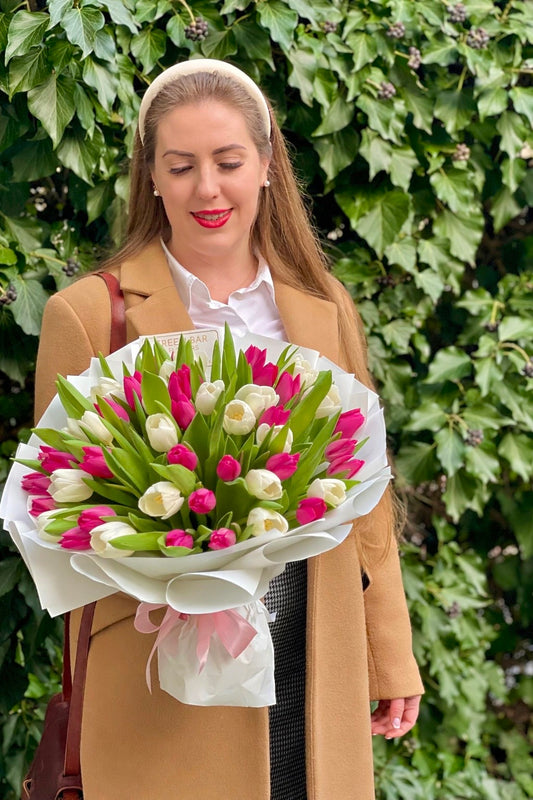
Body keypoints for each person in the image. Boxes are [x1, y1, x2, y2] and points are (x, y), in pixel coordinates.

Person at [34, 59, 423, 800]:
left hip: (314, 655)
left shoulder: (322, 304)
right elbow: (62, 518)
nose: (205, 190)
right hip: (161, 674)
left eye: (227, 161)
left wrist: (388, 653)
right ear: (149, 176)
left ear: (268, 165)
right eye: (179, 166)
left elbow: (367, 497)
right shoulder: (86, 315)